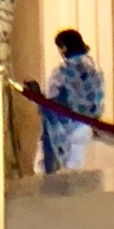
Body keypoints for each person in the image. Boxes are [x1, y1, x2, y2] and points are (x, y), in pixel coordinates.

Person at [36, 28, 104, 172]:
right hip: (89, 128)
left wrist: (35, 94)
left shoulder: (61, 72)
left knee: (64, 179)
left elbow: (51, 104)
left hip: (66, 130)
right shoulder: (94, 69)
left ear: (63, 48)